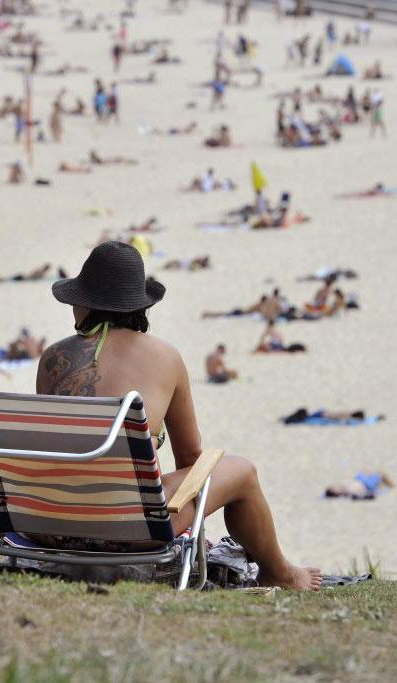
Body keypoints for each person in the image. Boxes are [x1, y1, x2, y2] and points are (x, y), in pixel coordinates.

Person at [36, 241, 321, 589]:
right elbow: (189, 457)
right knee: (241, 471)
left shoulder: (52, 359)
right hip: (132, 528)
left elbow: (55, 449)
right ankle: (281, 573)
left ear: (85, 302)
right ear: (138, 305)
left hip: (50, 524)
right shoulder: (165, 357)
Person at [325, 472, 393, 500]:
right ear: (337, 493)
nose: (336, 486)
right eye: (334, 488)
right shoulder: (350, 494)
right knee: (380, 473)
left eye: (334, 486)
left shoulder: (344, 488)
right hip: (367, 485)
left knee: (363, 471)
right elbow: (367, 495)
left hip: (360, 480)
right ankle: (392, 486)